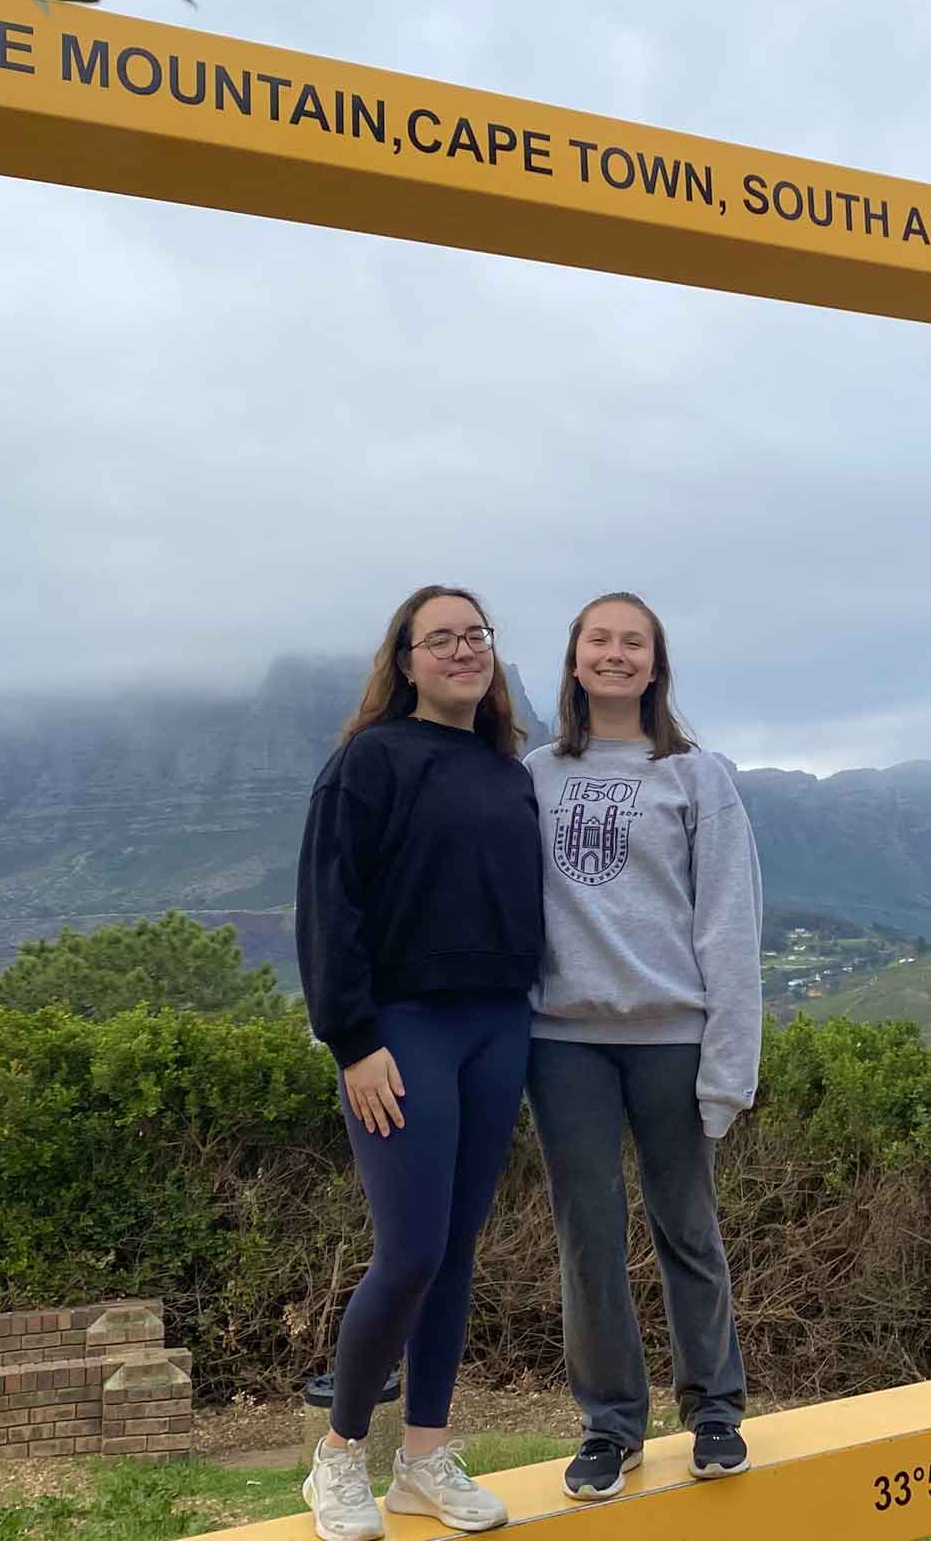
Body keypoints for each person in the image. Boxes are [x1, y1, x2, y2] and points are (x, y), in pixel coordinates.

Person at [294, 585, 543, 1539]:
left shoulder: (504, 768)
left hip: (497, 1028)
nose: (463, 651)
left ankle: (425, 1462)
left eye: (476, 635)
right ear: (404, 661)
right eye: (440, 639)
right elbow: (331, 907)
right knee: (410, 1253)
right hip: (402, 1034)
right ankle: (338, 1457)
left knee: (456, 1253)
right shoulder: (368, 761)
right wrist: (353, 1041)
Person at [523, 590, 764, 1501]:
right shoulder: (534, 775)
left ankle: (714, 1413)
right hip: (563, 1043)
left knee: (686, 1227)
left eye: (635, 642)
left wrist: (727, 1067)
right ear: (576, 659)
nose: (616, 654)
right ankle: (611, 1427)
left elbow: (730, 925)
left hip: (672, 1035)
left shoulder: (698, 776)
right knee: (587, 1236)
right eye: (600, 639)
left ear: (655, 665)